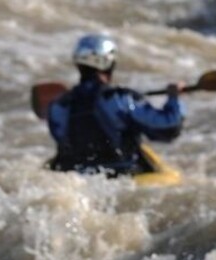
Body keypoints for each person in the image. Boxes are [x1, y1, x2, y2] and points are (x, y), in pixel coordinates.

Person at [47, 33, 186, 177]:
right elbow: (168, 128)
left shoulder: (58, 107)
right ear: (108, 63)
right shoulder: (121, 99)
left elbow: (62, 140)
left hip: (80, 178)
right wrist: (174, 99)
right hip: (124, 176)